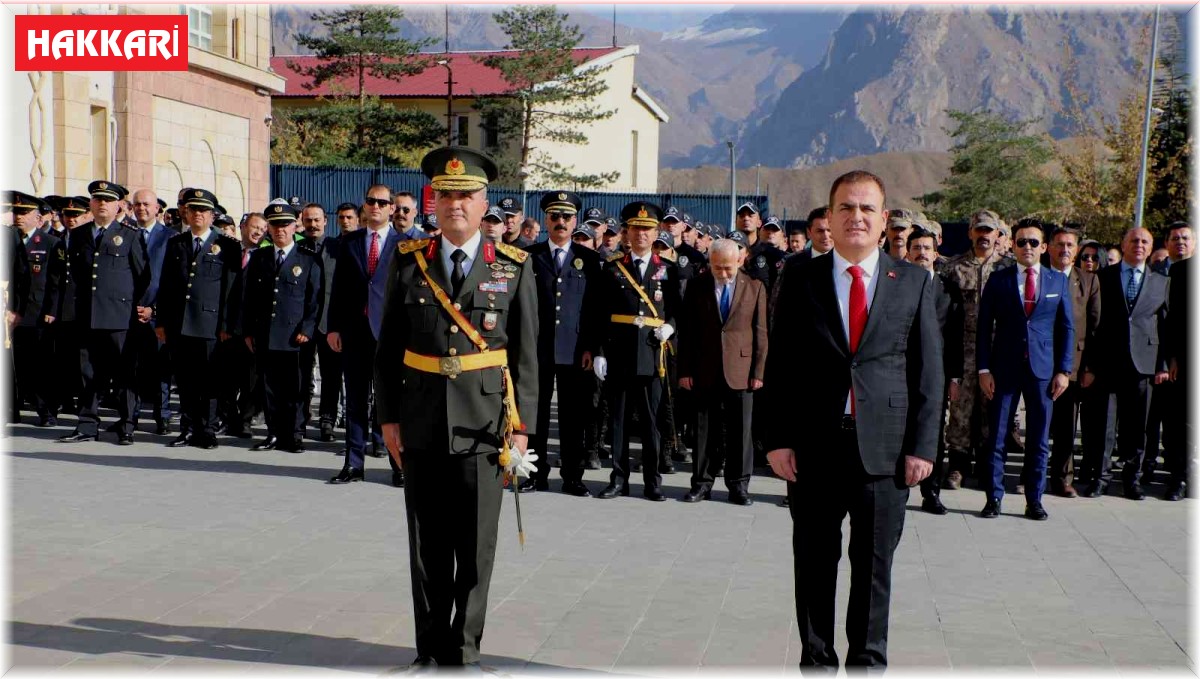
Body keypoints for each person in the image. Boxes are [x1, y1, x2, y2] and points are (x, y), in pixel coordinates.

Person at [765, 170, 941, 670]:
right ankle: (816, 662)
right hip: (815, 450)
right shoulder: (800, 277)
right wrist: (777, 440)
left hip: (884, 454)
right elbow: (782, 365)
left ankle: (868, 663)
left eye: (867, 209)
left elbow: (928, 370)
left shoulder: (913, 281)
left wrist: (923, 447)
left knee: (873, 570)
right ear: (830, 217)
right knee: (815, 566)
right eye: (846, 208)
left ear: (884, 220)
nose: (856, 217)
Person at [374, 146, 539, 669]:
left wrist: (523, 427)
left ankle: (463, 647)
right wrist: (388, 417)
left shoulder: (512, 267)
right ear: (433, 201)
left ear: (484, 201)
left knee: (474, 546)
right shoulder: (408, 261)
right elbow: (387, 348)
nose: (455, 205)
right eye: (446, 195)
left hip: (485, 425)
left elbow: (528, 356)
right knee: (426, 545)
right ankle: (428, 646)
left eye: (466, 195)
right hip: (421, 420)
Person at [975, 218, 1074, 520]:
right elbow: (983, 328)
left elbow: (1066, 327)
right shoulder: (999, 279)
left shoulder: (1057, 281)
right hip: (1004, 369)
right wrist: (983, 369)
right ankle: (993, 498)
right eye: (1021, 242)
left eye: (1033, 242)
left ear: (1044, 247)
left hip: (1043, 371)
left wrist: (1063, 371)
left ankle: (1035, 500)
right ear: (1013, 245)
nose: (1027, 247)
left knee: (1039, 440)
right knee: (997, 437)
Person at [589, 202, 681, 502]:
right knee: (618, 421)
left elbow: (679, 311)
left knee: (652, 422)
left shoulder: (666, 270)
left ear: (656, 232)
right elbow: (600, 312)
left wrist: (670, 327)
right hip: (619, 354)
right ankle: (618, 478)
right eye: (635, 228)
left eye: (647, 229)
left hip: (653, 355)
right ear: (626, 232)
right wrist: (600, 351)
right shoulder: (614, 267)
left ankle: (653, 481)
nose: (641, 233)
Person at [57, 181, 149, 446]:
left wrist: (133, 305)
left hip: (119, 315)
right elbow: (77, 272)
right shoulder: (79, 234)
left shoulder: (129, 234)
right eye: (97, 200)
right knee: (87, 372)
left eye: (107, 200)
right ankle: (87, 424)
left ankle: (127, 425)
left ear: (118, 205)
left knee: (123, 373)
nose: (101, 204)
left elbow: (143, 275)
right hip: (88, 314)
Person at [522, 190, 601, 496]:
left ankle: (572, 476)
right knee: (535, 415)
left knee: (573, 417)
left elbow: (594, 309)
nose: (561, 222)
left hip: (574, 349)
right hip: (538, 349)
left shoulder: (590, 260)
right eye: (555, 216)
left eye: (566, 217)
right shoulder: (531, 256)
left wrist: (591, 348)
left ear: (575, 221)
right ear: (546, 219)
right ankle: (534, 474)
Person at [677, 238, 767, 505]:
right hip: (705, 368)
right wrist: (684, 370)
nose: (724, 274)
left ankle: (739, 485)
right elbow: (688, 332)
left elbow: (761, 333)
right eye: (718, 268)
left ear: (739, 261)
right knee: (704, 429)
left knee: (741, 431)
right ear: (710, 264)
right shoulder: (696, 287)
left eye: (728, 267)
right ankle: (702, 483)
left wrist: (759, 371)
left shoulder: (755, 287)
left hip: (742, 370)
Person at [1082, 227, 1169, 500]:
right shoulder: (1103, 277)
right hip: (1108, 363)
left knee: (1137, 426)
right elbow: (1092, 323)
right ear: (1123, 244)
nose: (1139, 245)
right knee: (1104, 426)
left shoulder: (1161, 282)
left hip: (1144, 363)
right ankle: (1101, 477)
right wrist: (1090, 365)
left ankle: (1133, 480)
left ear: (1151, 246)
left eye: (1144, 241)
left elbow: (1166, 325)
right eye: (1134, 241)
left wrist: (1163, 365)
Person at [327, 186, 405, 487]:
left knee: (392, 403)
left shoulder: (404, 244)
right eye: (370, 201)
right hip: (355, 332)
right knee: (355, 401)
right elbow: (339, 289)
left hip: (389, 334)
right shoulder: (349, 242)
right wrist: (333, 327)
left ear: (391, 209)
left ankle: (397, 465)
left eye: (381, 202)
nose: (375, 206)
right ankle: (353, 464)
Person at [154, 188, 241, 450]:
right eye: (193, 210)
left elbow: (231, 290)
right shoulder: (176, 243)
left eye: (203, 210)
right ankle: (188, 428)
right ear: (187, 213)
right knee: (186, 380)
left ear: (213, 215)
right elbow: (167, 286)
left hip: (210, 325)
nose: (198, 215)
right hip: (180, 323)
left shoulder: (227, 245)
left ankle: (208, 429)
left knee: (210, 381)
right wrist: (162, 322)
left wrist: (227, 325)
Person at [239, 203, 323, 454]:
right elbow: (249, 298)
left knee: (296, 389)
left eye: (285, 224)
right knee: (269, 386)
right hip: (266, 333)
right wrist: (248, 331)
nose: (280, 230)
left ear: (294, 226)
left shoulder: (307, 258)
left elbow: (315, 298)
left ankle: (295, 434)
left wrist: (307, 329)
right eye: (274, 225)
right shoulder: (260, 258)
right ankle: (274, 433)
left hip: (295, 335)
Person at [940, 209, 1014, 489]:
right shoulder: (954, 268)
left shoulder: (1007, 269)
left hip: (997, 351)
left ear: (998, 235)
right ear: (971, 232)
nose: (984, 236)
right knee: (960, 410)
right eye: (979, 230)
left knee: (991, 409)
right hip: (964, 350)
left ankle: (987, 465)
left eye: (989, 231)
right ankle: (957, 467)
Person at [905, 227, 963, 515]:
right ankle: (899, 490)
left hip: (935, 374)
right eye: (916, 247)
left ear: (935, 252)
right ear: (907, 252)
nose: (921, 253)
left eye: (926, 248)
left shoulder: (948, 289)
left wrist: (954, 376)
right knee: (899, 431)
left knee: (932, 432)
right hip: (899, 372)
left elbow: (954, 337)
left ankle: (932, 493)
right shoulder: (896, 284)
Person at [1045, 225, 1101, 498]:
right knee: (1038, 421)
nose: (1064, 249)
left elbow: (1095, 327)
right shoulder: (1039, 275)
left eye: (1070, 245)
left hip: (1074, 365)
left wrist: (1089, 366)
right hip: (1040, 358)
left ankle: (1062, 478)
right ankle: (1027, 474)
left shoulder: (1088, 280)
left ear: (1076, 250)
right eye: (1059, 244)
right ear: (1049, 247)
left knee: (1067, 425)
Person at [8, 192, 63, 426]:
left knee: (42, 365)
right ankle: (14, 408)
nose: (19, 217)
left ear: (38, 218)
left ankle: (46, 411)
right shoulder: (10, 239)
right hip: (13, 311)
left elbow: (56, 281)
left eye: (24, 212)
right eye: (16, 212)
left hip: (39, 311)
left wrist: (51, 310)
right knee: (18, 364)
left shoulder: (50, 243)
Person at [129, 188, 174, 435]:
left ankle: (162, 415)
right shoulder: (126, 234)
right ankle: (131, 416)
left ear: (157, 208)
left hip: (157, 314)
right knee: (132, 368)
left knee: (161, 369)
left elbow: (171, 281)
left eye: (146, 204)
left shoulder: (170, 237)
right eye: (137, 204)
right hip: (130, 312)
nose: (141, 208)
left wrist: (154, 309)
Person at [297, 203, 342, 442]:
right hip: (302, 323)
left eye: (317, 220)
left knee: (331, 375)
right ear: (302, 222)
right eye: (308, 220)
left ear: (326, 221)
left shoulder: (338, 248)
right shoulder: (297, 248)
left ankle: (327, 420)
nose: (312, 225)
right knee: (302, 374)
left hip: (330, 322)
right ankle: (300, 418)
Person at [1163, 254, 1191, 500]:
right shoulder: (1181, 271)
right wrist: (1172, 357)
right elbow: (1172, 316)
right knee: (1183, 422)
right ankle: (1179, 478)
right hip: (1186, 357)